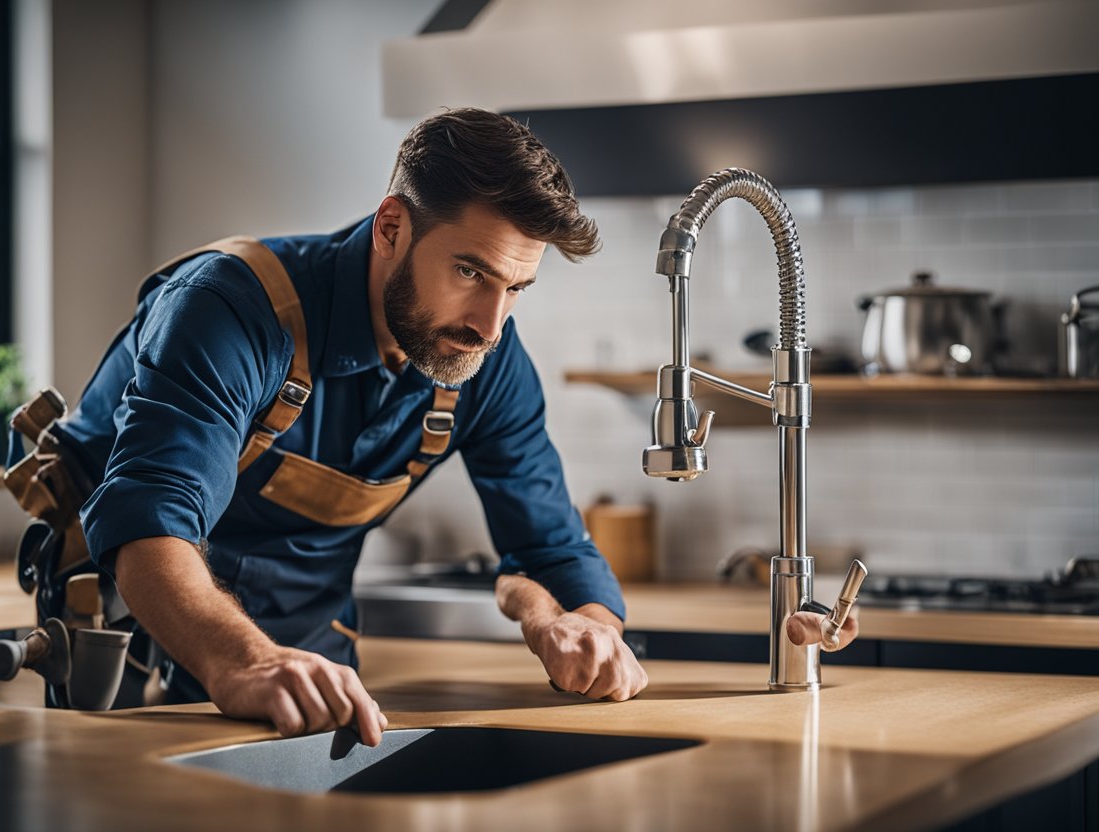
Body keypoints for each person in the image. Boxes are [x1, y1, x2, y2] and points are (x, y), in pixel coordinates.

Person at [55, 108, 855, 746]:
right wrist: (243, 659)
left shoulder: (482, 360)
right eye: (471, 272)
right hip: (129, 627)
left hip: (304, 651)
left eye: (516, 288)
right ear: (392, 227)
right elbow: (151, 516)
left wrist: (582, 627)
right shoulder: (232, 307)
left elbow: (550, 550)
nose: (488, 324)